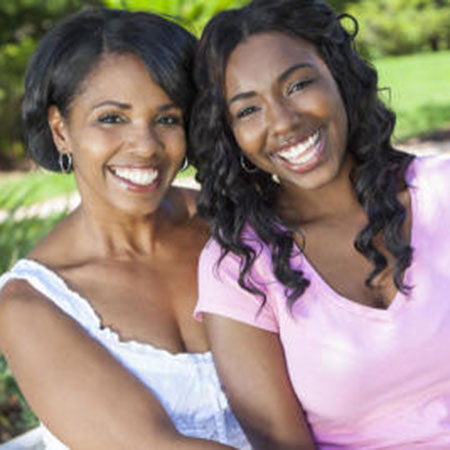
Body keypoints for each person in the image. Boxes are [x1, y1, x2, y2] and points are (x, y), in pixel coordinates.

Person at [190, 0, 450, 448]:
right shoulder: (241, 267)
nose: (283, 122)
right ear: (229, 133)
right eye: (248, 110)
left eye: (297, 85)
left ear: (339, 77)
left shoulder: (441, 191)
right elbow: (278, 441)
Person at [0, 7, 251, 450]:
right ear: (61, 129)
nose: (145, 146)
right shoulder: (31, 305)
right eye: (112, 118)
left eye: (168, 118)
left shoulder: (234, 223)